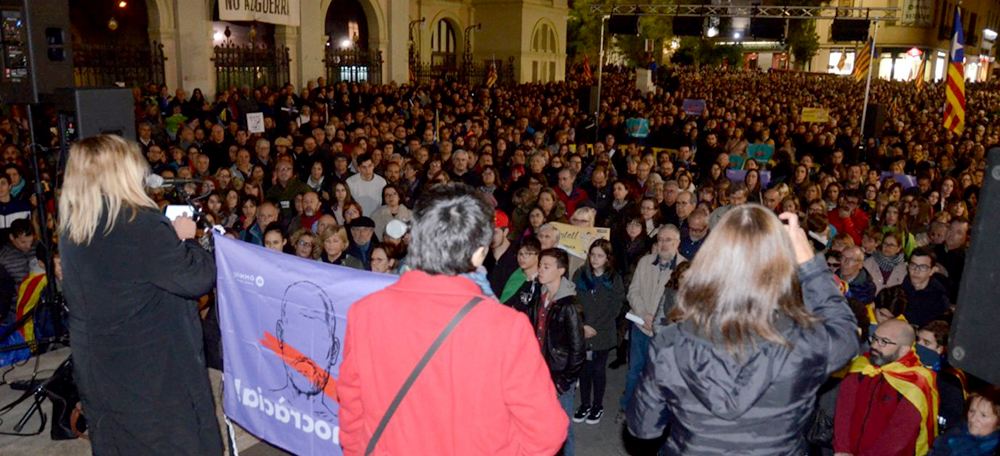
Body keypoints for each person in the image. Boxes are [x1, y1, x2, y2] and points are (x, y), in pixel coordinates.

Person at [339, 183, 568, 455]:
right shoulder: (507, 328)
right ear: (480, 252)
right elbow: (546, 432)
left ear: (417, 240)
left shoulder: (365, 312)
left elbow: (352, 409)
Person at [627, 207, 859, 455]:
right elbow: (847, 336)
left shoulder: (670, 343)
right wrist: (810, 265)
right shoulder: (803, 343)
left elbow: (644, 428)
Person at [58, 135, 222, 455]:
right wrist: (187, 238)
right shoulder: (138, 224)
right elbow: (197, 279)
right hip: (152, 377)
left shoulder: (75, 224)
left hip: (102, 368)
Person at [834, 320, 938, 456]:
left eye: (884, 342)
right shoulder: (861, 366)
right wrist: (842, 450)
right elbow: (844, 411)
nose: (875, 346)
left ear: (903, 350)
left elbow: (897, 436)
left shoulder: (915, 382)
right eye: (875, 338)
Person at [519, 247, 586, 456]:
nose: (540, 270)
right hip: (539, 373)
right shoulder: (540, 297)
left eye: (546, 267)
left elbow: (578, 351)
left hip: (558, 377)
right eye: (540, 266)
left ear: (561, 271)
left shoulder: (569, 305)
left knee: (562, 428)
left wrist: (563, 383)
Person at [620, 225, 685, 422]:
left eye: (669, 240)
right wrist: (645, 314)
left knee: (659, 376)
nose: (664, 244)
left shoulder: (685, 268)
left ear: (678, 243)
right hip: (640, 326)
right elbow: (633, 290)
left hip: (665, 333)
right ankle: (627, 409)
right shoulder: (645, 262)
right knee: (634, 372)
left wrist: (658, 319)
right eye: (661, 240)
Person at [571, 239, 625, 425]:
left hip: (603, 332)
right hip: (583, 330)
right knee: (584, 370)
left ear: (607, 258)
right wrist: (583, 325)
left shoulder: (614, 278)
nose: (595, 259)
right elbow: (574, 302)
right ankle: (585, 404)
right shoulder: (580, 275)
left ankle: (597, 405)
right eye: (593, 255)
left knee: (598, 370)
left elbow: (616, 306)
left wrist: (597, 327)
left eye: (600, 256)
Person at [928, 388, 1000, 456]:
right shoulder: (952, 434)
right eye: (972, 411)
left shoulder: (993, 451)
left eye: (983, 415)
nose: (973, 419)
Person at [901, 247, 952, 327]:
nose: (916, 271)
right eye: (913, 265)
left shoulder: (939, 299)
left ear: (932, 271)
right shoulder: (900, 290)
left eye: (923, 267)